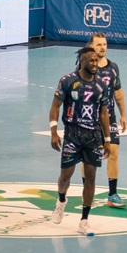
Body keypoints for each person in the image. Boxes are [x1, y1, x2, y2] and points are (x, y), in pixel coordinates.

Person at [49, 47, 111, 236]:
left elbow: (104, 113)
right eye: (91, 60)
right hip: (72, 134)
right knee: (65, 177)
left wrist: (107, 139)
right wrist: (54, 132)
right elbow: (55, 106)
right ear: (82, 62)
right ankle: (61, 201)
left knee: (90, 177)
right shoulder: (68, 81)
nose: (95, 64)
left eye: (96, 60)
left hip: (93, 137)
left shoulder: (101, 85)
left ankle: (84, 221)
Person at [84, 33, 127, 208]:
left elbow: (118, 93)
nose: (102, 47)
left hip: (109, 117)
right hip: (90, 119)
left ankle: (112, 194)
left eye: (104, 44)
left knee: (114, 152)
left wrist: (123, 114)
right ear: (91, 46)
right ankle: (87, 191)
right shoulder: (86, 67)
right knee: (88, 157)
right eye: (99, 44)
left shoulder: (113, 67)